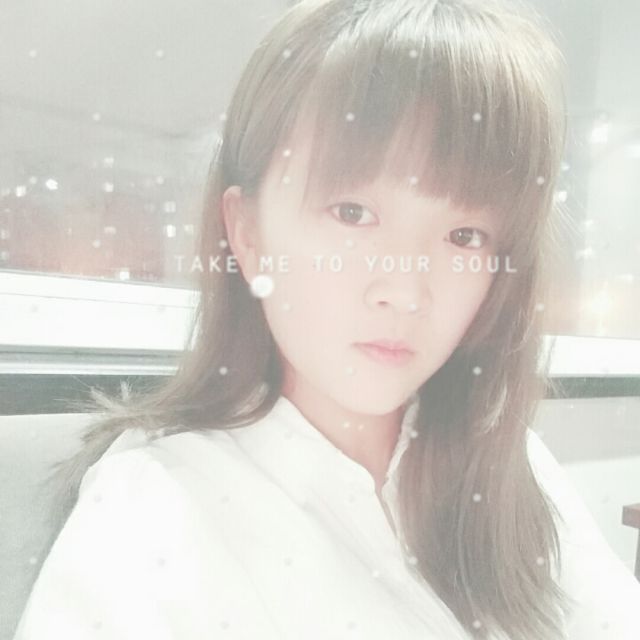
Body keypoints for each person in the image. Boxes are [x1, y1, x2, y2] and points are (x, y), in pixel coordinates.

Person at [12, 0, 640, 639]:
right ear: (248, 233)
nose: (406, 290)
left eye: (464, 235)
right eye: (352, 213)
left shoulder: (507, 462)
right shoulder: (154, 515)